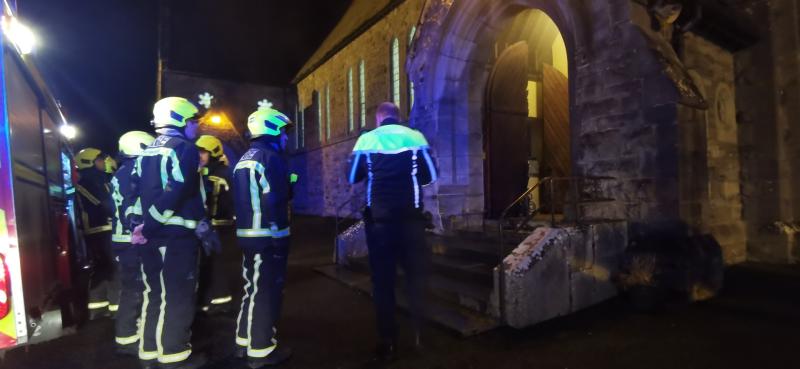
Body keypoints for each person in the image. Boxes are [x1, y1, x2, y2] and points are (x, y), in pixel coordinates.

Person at [130, 96, 218, 369]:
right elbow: (179, 190)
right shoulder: (183, 148)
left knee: (154, 294)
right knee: (178, 296)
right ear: (179, 120)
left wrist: (139, 225)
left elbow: (133, 193)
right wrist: (153, 223)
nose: (196, 127)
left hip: (150, 238)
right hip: (175, 237)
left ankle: (149, 353)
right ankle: (174, 357)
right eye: (193, 121)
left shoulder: (145, 151)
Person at [346, 102, 438, 363]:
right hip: (412, 221)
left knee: (383, 283)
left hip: (380, 224)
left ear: (379, 119)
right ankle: (421, 335)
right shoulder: (415, 136)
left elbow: (353, 176)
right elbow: (431, 175)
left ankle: (388, 342)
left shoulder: (367, 140)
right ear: (398, 117)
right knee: (415, 279)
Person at [231, 107, 294, 368]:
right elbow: (275, 201)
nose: (286, 138)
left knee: (252, 289)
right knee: (266, 292)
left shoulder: (244, 157)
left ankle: (243, 341)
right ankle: (261, 349)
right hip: (266, 235)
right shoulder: (271, 158)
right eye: (284, 132)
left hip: (247, 234)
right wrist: (280, 237)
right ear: (272, 130)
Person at [109, 131, 155, 357]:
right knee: (137, 289)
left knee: (131, 288)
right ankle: (128, 338)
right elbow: (133, 209)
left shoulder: (122, 172)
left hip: (123, 240)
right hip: (132, 240)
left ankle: (126, 336)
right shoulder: (132, 172)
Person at [196, 134, 235, 314]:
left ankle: (220, 301)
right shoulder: (220, 171)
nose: (200, 156)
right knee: (208, 263)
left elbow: (210, 201)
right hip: (216, 225)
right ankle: (211, 299)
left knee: (215, 264)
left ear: (213, 153)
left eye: (203, 153)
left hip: (217, 226)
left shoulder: (215, 175)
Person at [75, 147, 115, 320]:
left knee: (103, 269)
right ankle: (115, 307)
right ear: (89, 162)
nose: (102, 162)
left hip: (101, 230)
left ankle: (98, 308)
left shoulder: (98, 179)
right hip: (99, 230)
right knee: (113, 268)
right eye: (99, 159)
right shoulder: (88, 183)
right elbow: (105, 204)